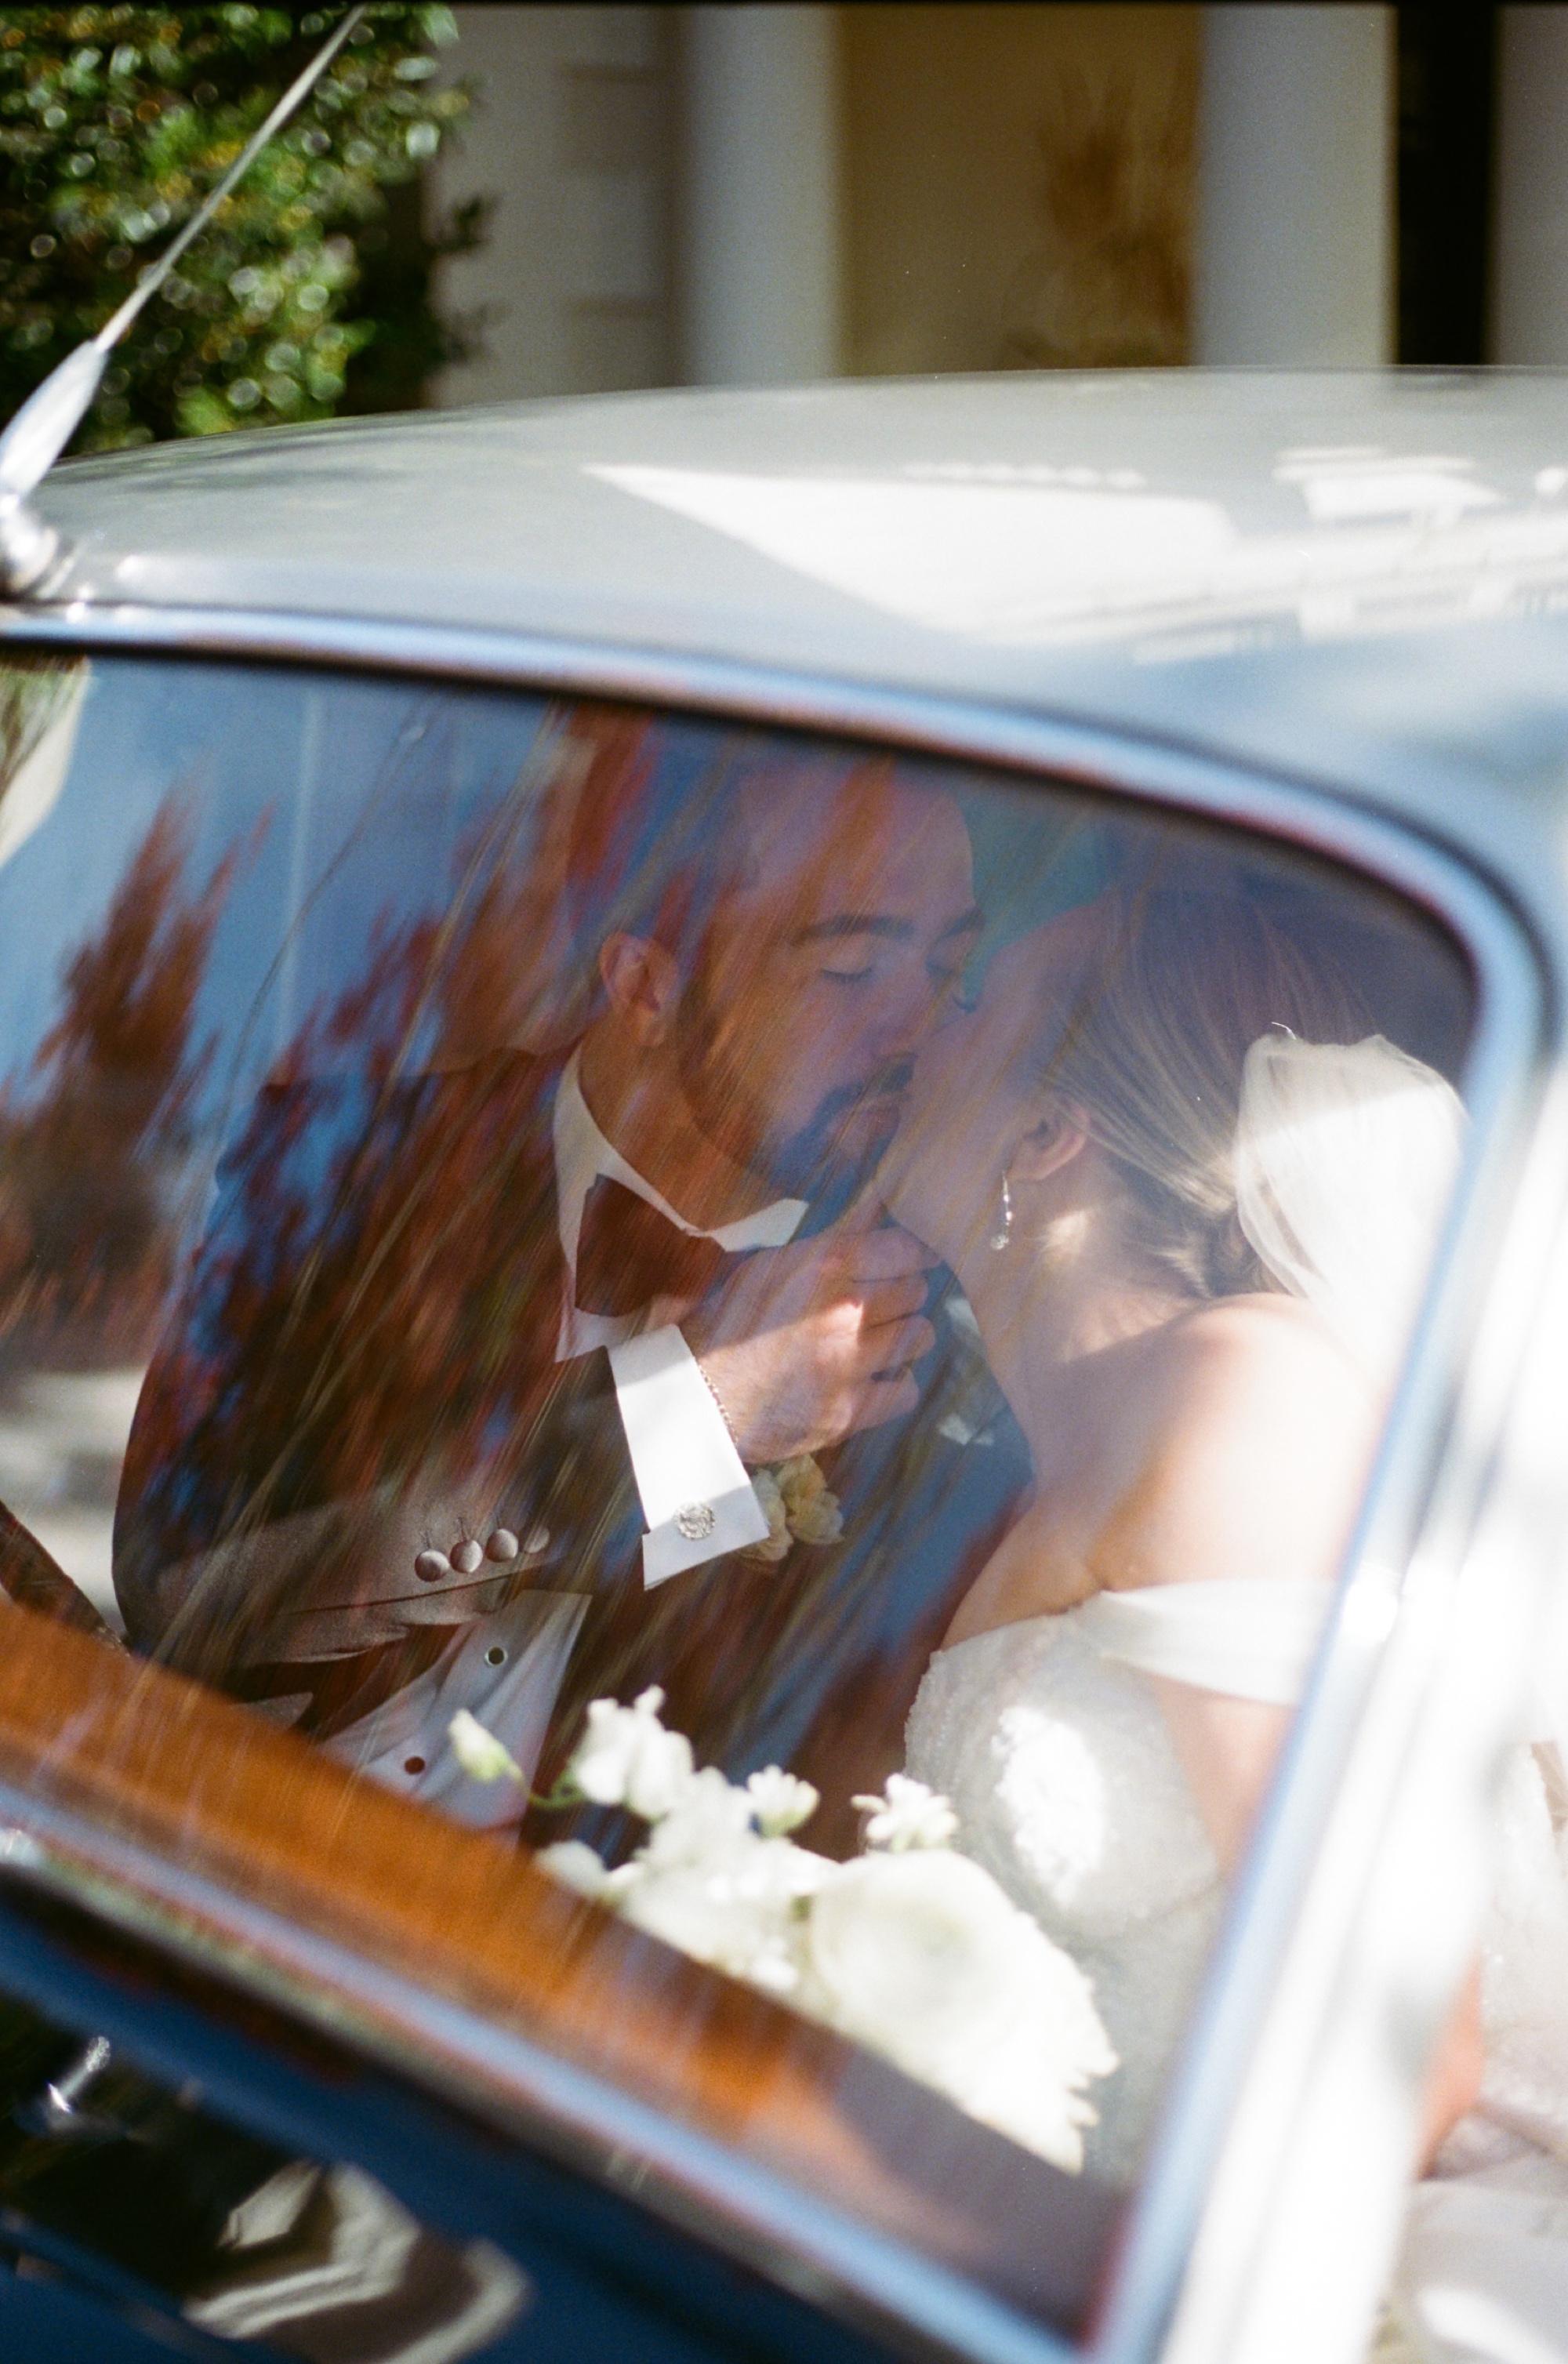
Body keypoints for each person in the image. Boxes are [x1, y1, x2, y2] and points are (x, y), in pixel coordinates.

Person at [112, 745, 1025, 1837]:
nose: (912, 1033)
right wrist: (681, 1419)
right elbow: (183, 1604)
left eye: (947, 973)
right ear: (645, 985)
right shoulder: (337, 1159)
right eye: (848, 971)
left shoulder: (925, 1358)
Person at [874, 884, 1470, 2184]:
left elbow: (1402, 2052)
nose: (919, 1023)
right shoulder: (1009, 1442)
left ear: (1043, 1133)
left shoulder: (1248, 1402)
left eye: (969, 1001)